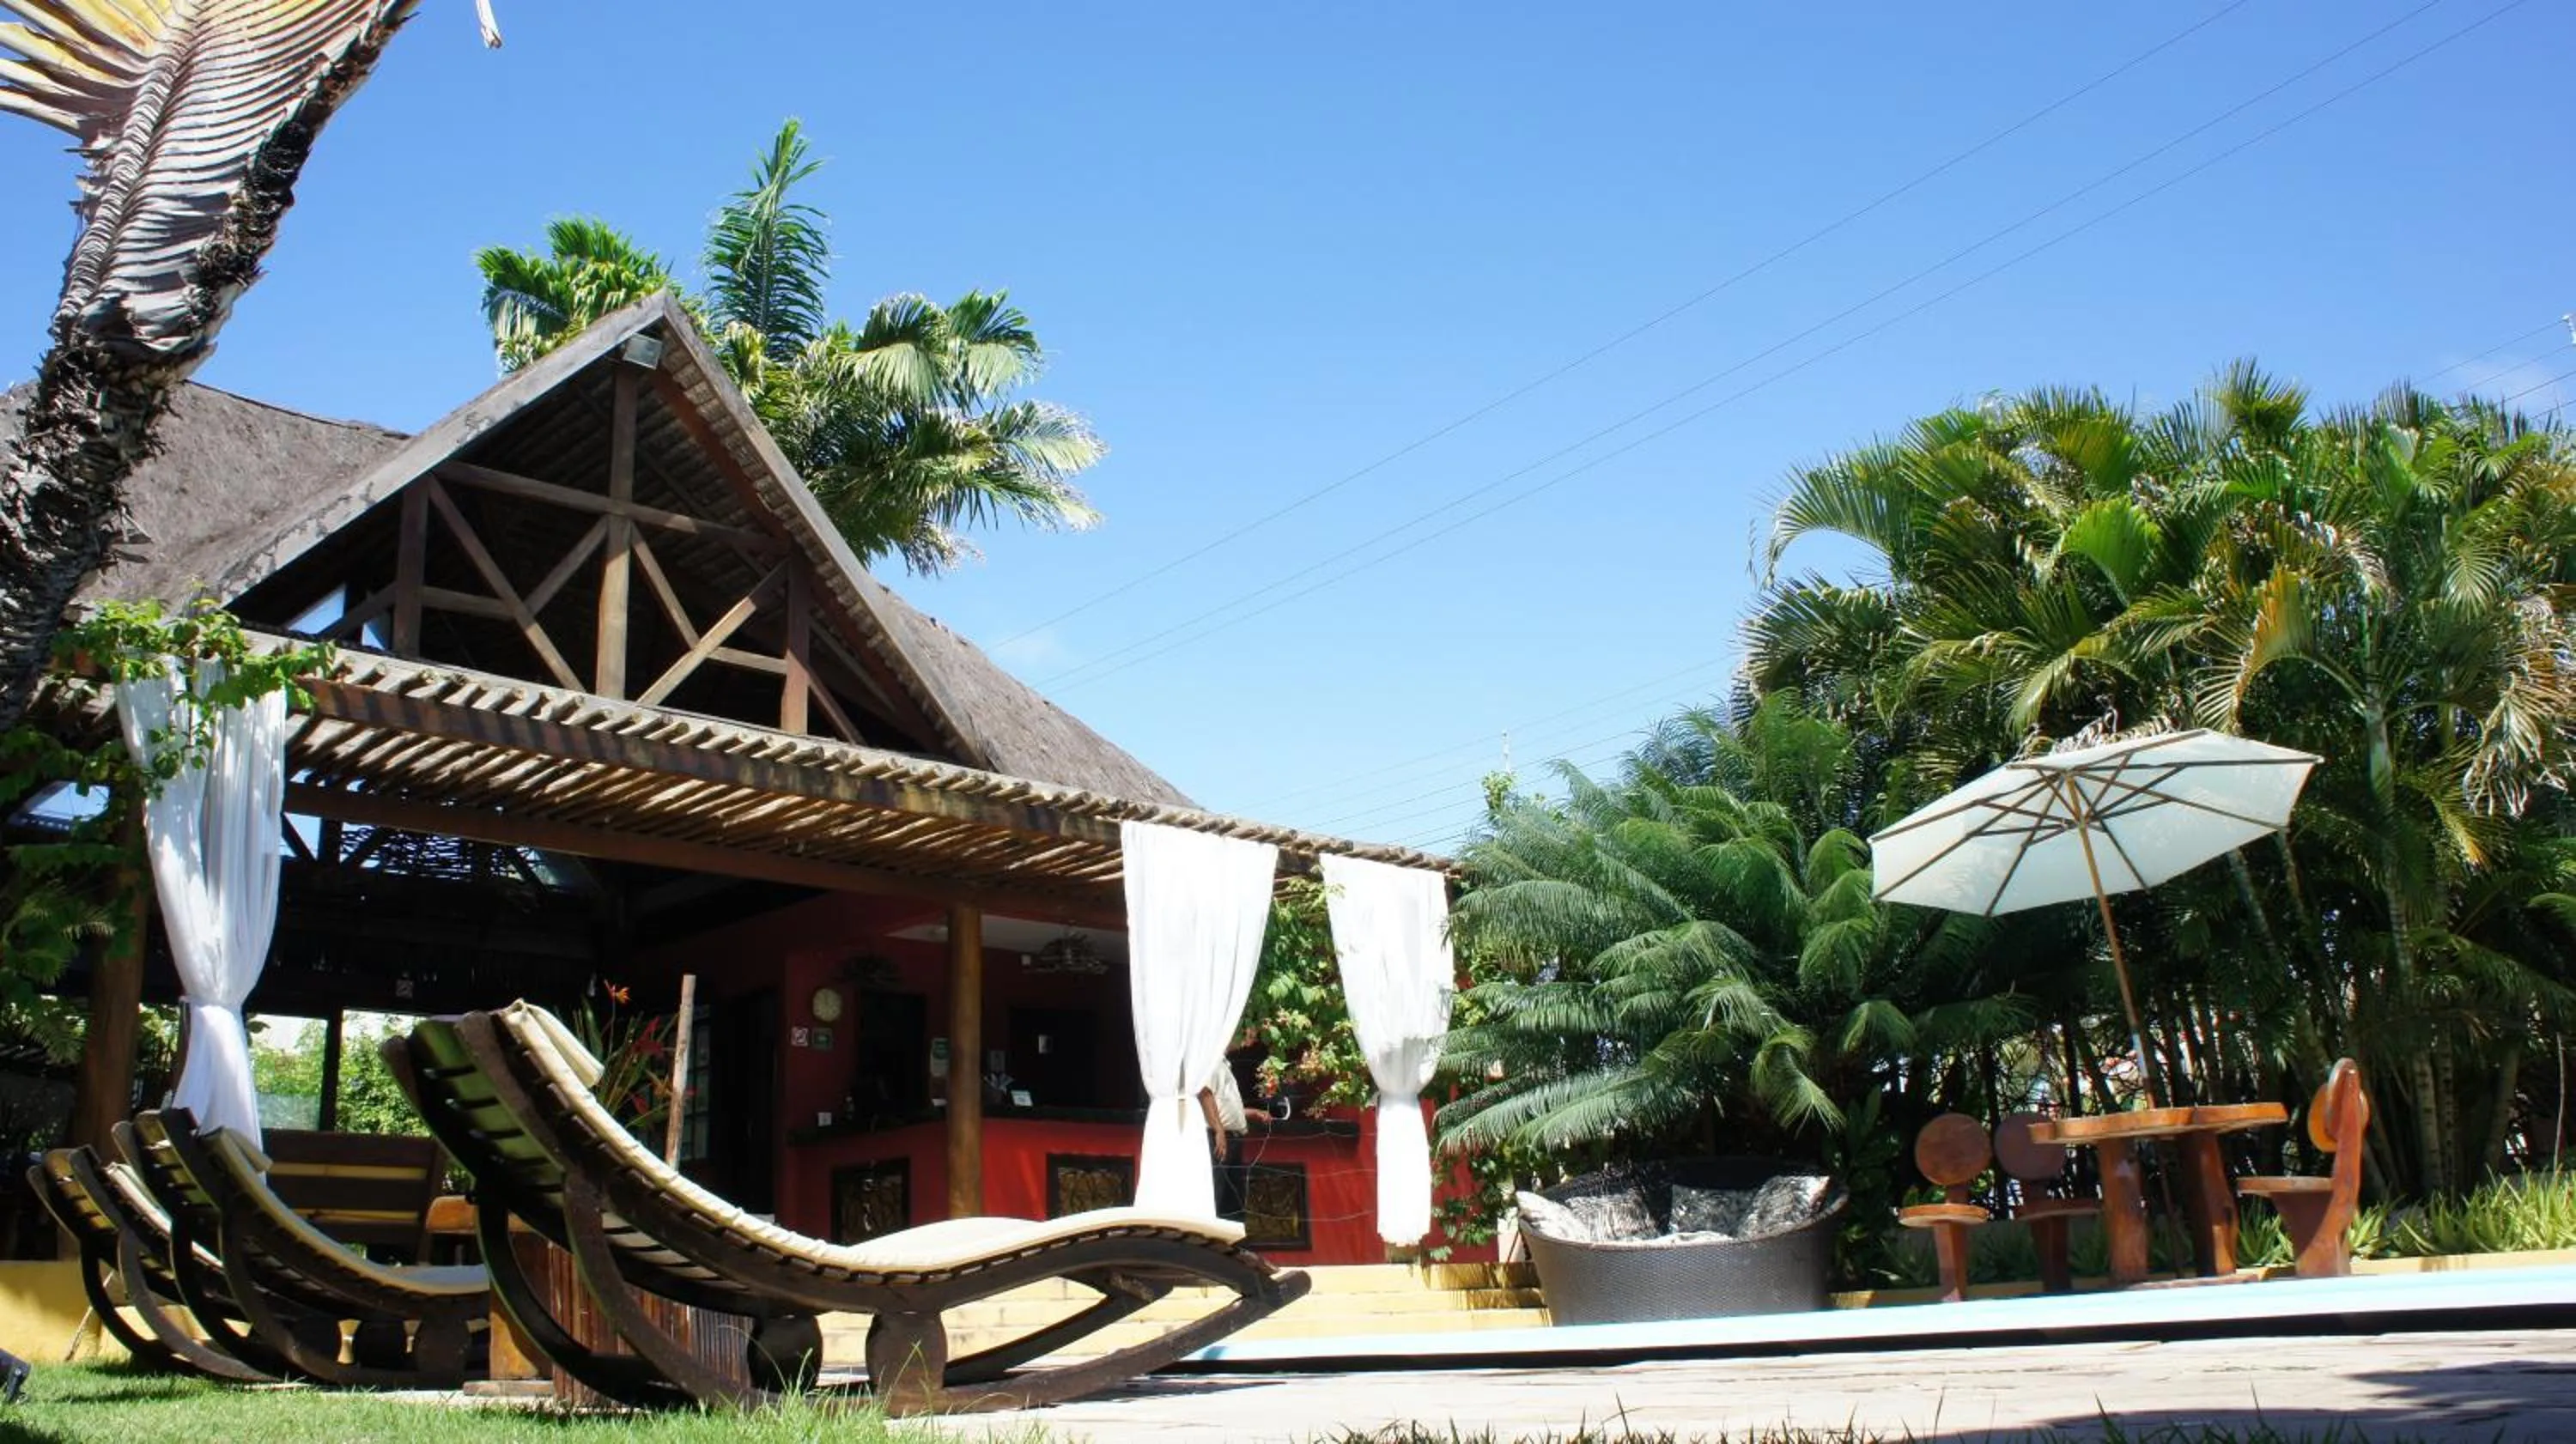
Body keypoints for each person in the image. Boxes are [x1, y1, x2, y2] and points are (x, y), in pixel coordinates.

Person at [1197, 1059, 1249, 1223]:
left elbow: (1227, 1107)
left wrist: (1252, 1113)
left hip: (1233, 1137)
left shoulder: (1225, 1065)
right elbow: (1205, 1093)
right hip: (1219, 1136)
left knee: (1233, 1196)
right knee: (1217, 1192)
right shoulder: (1211, 1060)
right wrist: (1218, 1130)